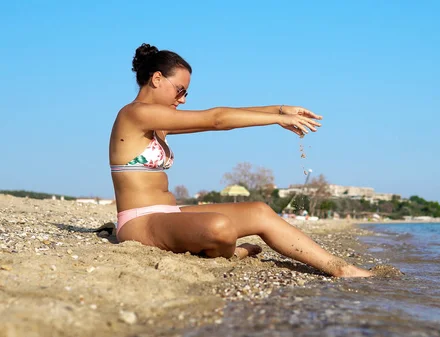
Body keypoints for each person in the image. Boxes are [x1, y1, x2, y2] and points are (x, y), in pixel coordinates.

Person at [108, 43, 373, 278]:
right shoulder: (135, 115)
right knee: (220, 227)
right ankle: (232, 253)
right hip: (139, 224)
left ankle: (339, 268)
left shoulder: (159, 120)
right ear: (156, 79)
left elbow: (222, 115)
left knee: (259, 211)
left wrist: (280, 109)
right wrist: (278, 118)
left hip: (169, 216)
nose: (183, 99)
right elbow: (216, 119)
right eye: (180, 90)